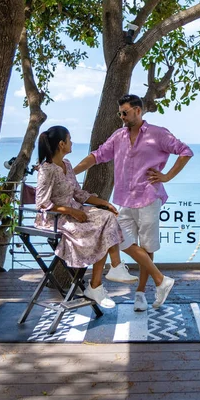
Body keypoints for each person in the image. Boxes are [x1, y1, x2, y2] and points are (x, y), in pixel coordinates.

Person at [74, 94, 194, 311]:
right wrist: (72, 171)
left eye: (125, 112)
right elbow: (97, 155)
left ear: (138, 111)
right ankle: (160, 281)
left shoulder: (158, 134)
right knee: (117, 238)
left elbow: (185, 152)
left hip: (149, 197)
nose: (122, 117)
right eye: (120, 113)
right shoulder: (118, 136)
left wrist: (166, 177)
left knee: (147, 248)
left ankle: (141, 294)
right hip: (125, 201)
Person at [35, 125, 138, 309]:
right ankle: (96, 286)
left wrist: (104, 203)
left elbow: (78, 193)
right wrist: (71, 211)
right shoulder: (46, 169)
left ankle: (114, 267)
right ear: (61, 144)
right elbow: (42, 203)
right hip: (56, 218)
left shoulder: (67, 165)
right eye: (69, 139)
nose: (71, 142)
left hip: (75, 210)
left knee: (107, 217)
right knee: (100, 229)